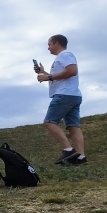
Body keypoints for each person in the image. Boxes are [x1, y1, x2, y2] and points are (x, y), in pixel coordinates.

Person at [35, 34, 86, 165]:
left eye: (49, 44)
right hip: (73, 95)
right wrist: (44, 73)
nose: (48, 48)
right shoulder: (63, 57)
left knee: (49, 122)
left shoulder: (65, 55)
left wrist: (48, 77)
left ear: (57, 43)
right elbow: (61, 77)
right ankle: (80, 157)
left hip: (64, 95)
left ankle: (68, 150)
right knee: (73, 126)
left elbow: (72, 71)